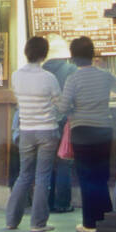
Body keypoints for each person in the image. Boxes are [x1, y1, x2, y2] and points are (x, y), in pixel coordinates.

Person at [55, 37, 116, 232]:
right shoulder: (105, 75)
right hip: (103, 129)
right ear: (93, 55)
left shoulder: (73, 79)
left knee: (86, 177)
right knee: (101, 176)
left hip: (82, 132)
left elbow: (62, 107)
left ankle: (90, 223)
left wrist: (67, 105)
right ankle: (106, 217)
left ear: (73, 58)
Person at [4, 36, 61, 232]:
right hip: (47, 131)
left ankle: (11, 220)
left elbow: (18, 99)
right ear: (44, 54)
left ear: (26, 52)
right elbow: (59, 103)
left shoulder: (16, 76)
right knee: (42, 177)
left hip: (26, 130)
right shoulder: (49, 78)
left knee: (24, 175)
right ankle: (38, 223)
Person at [41, 35, 77, 214]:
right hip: (64, 122)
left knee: (46, 163)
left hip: (43, 123)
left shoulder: (41, 70)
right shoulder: (71, 69)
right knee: (64, 162)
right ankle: (62, 203)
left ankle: (46, 203)